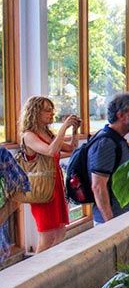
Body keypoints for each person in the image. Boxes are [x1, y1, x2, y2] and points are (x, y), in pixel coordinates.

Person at [19, 97, 81, 252]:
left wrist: (74, 130)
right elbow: (50, 150)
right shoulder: (29, 135)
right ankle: (37, 273)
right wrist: (64, 127)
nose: (51, 113)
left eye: (52, 109)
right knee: (47, 236)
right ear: (35, 112)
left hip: (56, 187)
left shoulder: (48, 134)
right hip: (42, 189)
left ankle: (53, 267)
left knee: (60, 232)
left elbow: (71, 149)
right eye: (47, 109)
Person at [90, 93, 129, 224]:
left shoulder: (118, 139)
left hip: (124, 214)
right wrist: (111, 224)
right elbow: (98, 186)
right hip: (114, 218)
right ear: (121, 115)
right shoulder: (106, 143)